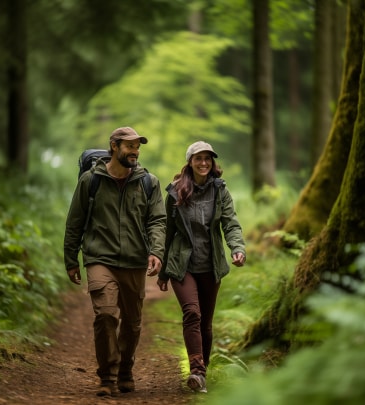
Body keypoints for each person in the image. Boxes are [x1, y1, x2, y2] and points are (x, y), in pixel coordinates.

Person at [64, 127, 166, 397]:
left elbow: (157, 220)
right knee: (107, 314)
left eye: (137, 147)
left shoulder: (149, 182)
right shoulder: (91, 180)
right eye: (129, 146)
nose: (135, 151)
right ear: (114, 146)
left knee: (132, 323)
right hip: (100, 257)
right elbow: (75, 221)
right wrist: (70, 259)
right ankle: (107, 376)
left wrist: (156, 252)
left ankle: (125, 370)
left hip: (134, 260)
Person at [157, 141, 246, 394]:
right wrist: (163, 271)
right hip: (182, 264)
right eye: (199, 159)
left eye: (208, 158)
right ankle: (196, 370)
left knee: (206, 322)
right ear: (190, 162)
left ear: (212, 162)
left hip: (210, 264)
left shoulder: (220, 191)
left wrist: (237, 248)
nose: (204, 163)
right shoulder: (175, 191)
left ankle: (201, 374)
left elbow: (231, 223)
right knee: (192, 313)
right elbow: (168, 232)